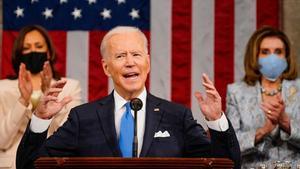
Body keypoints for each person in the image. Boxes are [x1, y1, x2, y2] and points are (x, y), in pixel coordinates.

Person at [16, 26, 241, 169]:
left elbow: (227, 165)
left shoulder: (177, 116)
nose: (130, 62)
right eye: (120, 56)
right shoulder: (83, 118)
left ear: (148, 62)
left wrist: (217, 121)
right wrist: (40, 120)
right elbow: (29, 166)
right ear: (106, 67)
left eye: (136, 54)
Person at [0, 25, 82, 169]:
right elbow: (2, 141)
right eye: (26, 48)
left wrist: (49, 96)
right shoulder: (3, 88)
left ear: (48, 53)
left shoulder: (70, 87)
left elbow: (70, 137)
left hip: (53, 163)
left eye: (38, 46)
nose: (33, 51)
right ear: (19, 54)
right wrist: (22, 101)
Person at [226, 26, 300, 168]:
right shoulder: (236, 92)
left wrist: (286, 123)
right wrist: (264, 130)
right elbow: (230, 146)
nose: (272, 57)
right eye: (265, 52)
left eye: (278, 52)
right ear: (255, 56)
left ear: (287, 56)